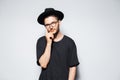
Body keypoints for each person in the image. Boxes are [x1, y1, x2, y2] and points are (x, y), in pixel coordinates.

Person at [36, 8, 79, 80]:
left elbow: (72, 67)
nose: (51, 26)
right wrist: (49, 43)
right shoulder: (41, 41)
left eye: (53, 23)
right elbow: (43, 64)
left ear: (59, 22)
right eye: (47, 24)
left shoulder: (69, 42)